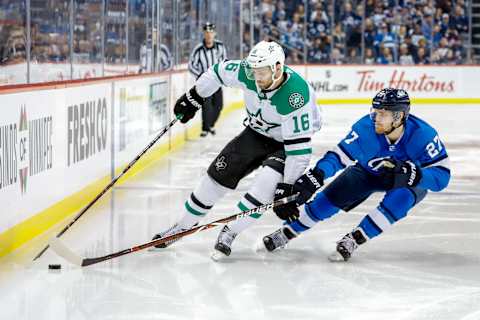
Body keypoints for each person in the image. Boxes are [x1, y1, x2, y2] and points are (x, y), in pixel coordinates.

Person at [151, 41, 323, 259]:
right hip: (255, 134)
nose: (256, 78)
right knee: (214, 179)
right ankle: (180, 227)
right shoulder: (247, 72)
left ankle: (230, 231)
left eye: (262, 73)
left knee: (264, 187)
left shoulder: (295, 96)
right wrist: (194, 97)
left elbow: (299, 152)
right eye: (253, 72)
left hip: (285, 145)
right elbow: (216, 72)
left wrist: (287, 186)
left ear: (277, 68)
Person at [262, 88, 450, 262]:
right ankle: (288, 232)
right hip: (367, 173)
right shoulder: (365, 129)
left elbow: (442, 177)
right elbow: (338, 156)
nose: (375, 117)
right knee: (325, 202)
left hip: (406, 180)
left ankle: (355, 238)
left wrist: (416, 176)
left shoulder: (423, 135)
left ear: (399, 116)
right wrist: (316, 176)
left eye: (382, 114)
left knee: (400, 201)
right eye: (375, 111)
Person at [188, 22, 227, 137]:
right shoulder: (198, 49)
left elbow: (224, 62)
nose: (209, 35)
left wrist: (223, 77)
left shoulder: (220, 46)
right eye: (206, 33)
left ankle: (210, 125)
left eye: (211, 32)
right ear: (204, 34)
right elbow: (191, 65)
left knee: (219, 105)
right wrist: (200, 76)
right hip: (205, 83)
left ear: (214, 34)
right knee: (207, 106)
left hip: (217, 81)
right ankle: (205, 128)